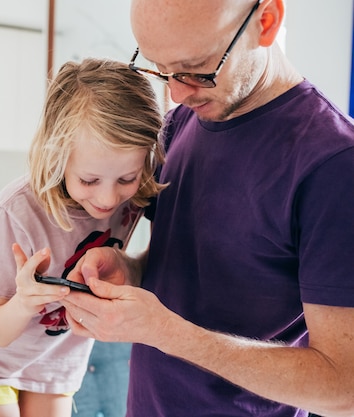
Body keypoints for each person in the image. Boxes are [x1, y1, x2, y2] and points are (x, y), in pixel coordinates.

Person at [61, 1, 354, 416]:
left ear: (266, 22)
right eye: (160, 69)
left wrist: (167, 333)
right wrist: (130, 271)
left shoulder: (334, 164)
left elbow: (345, 388)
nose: (176, 93)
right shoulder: (180, 123)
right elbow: (187, 269)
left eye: (197, 69)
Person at [0, 58, 166, 417]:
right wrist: (25, 302)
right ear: (56, 155)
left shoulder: (139, 192)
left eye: (126, 179)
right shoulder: (17, 211)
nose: (108, 199)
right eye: (89, 180)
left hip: (58, 362)